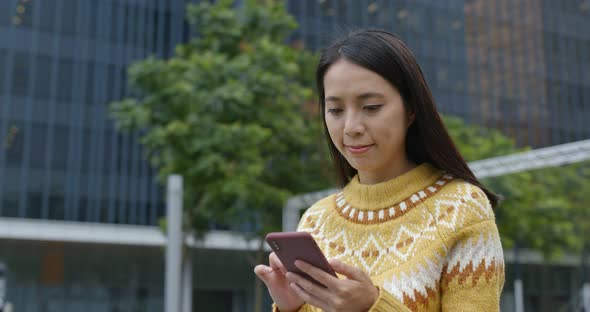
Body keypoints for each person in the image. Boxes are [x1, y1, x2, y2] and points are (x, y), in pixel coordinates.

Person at [254, 29, 505, 312]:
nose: (351, 127)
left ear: (411, 109)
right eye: (335, 110)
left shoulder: (461, 209)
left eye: (371, 107)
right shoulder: (316, 220)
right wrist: (293, 308)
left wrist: (372, 306)